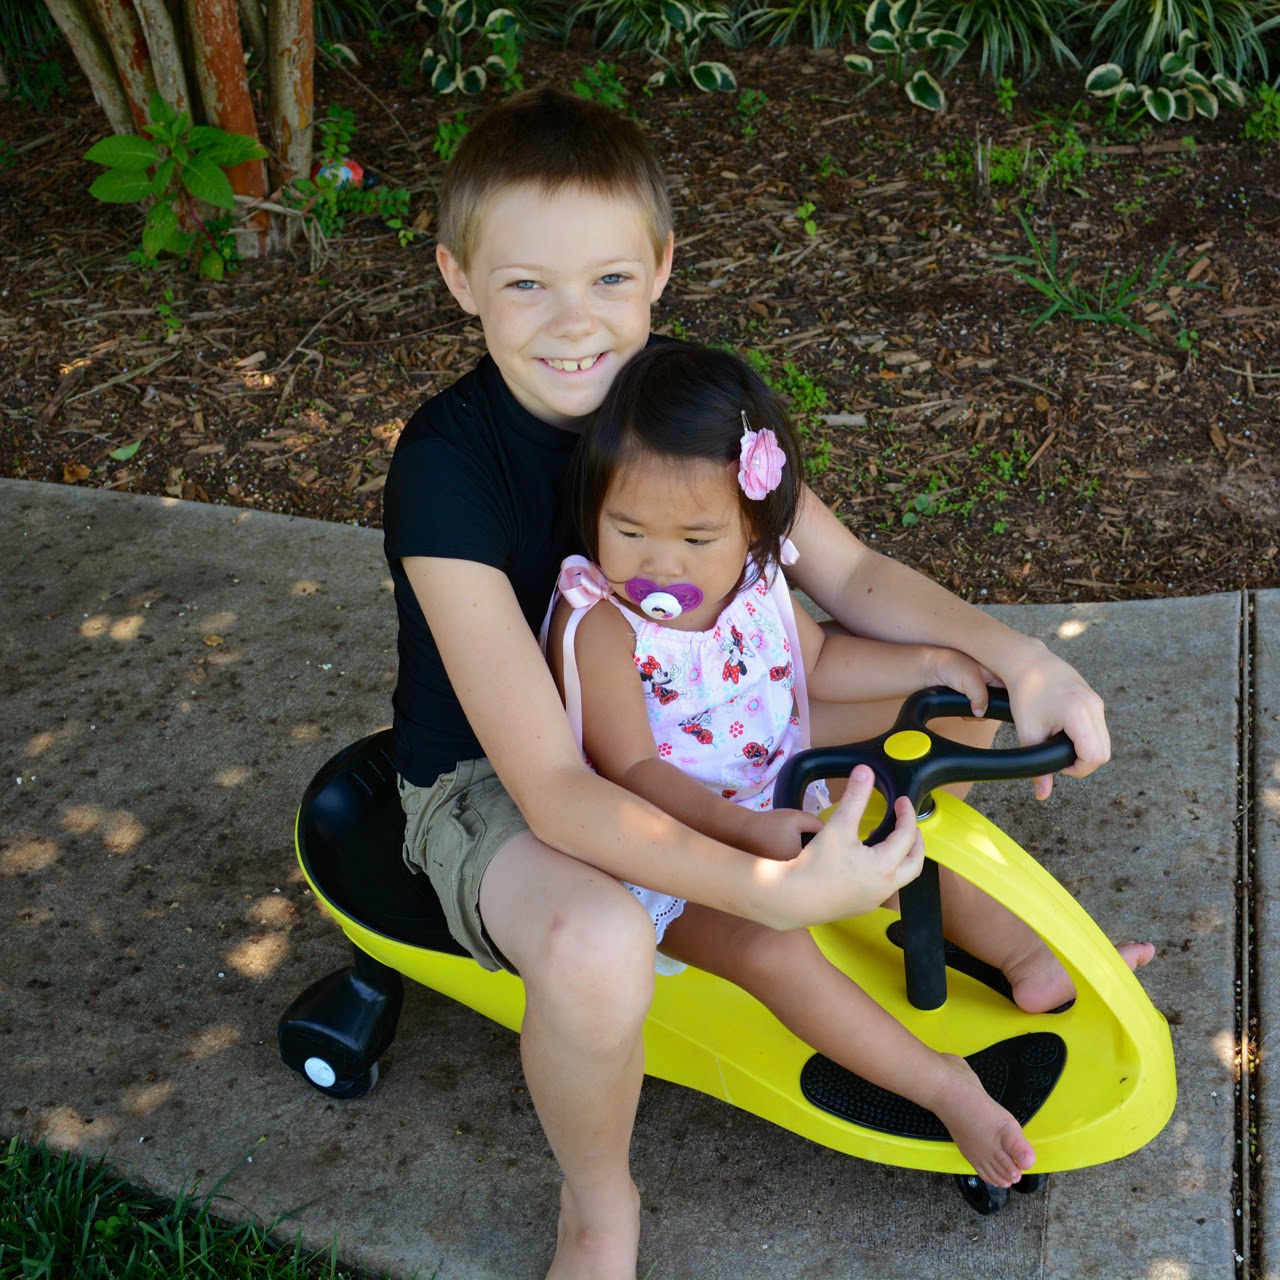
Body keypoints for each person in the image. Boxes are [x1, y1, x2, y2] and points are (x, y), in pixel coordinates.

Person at [383, 84, 1139, 1279]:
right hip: (500, 774)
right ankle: (598, 1204)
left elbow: (847, 571)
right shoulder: (446, 469)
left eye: (608, 278)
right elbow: (558, 788)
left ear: (660, 267)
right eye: (526, 283)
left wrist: (1019, 660)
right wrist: (762, 884)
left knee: (944, 709)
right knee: (594, 944)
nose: (573, 321)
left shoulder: (683, 406)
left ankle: (1004, 937)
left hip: (688, 703)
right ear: (459, 278)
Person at [544, 339, 1155, 1193]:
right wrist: (747, 838)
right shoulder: (601, 623)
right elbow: (635, 772)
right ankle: (943, 1086)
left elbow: (821, 663)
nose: (661, 564)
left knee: (909, 820)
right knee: (772, 949)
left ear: (756, 524)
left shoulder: (753, 581)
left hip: (776, 783)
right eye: (629, 530)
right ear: (593, 511)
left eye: (695, 536)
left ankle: (1027, 959)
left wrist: (936, 663)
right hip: (668, 853)